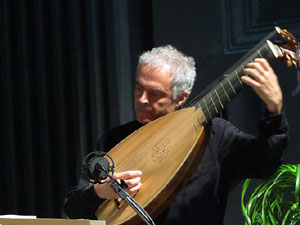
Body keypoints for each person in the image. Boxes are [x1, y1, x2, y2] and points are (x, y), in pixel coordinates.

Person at [63, 45, 288, 225]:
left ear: (181, 98)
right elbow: (73, 206)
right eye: (138, 88)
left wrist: (274, 111)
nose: (142, 100)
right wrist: (99, 192)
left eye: (155, 94)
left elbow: (264, 165)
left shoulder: (217, 135)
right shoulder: (116, 139)